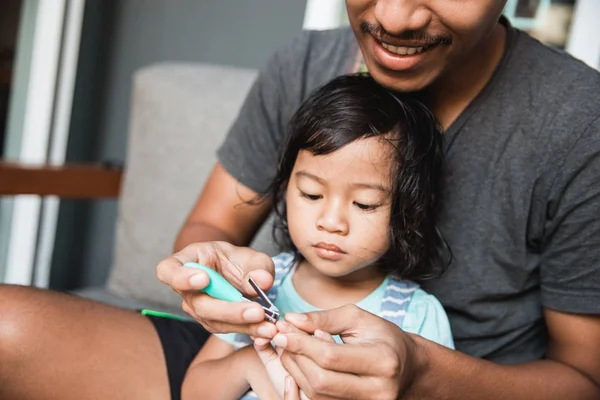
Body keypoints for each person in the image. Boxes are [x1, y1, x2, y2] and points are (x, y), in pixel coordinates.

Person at [0, 1, 599, 399]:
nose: (392, 17)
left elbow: (583, 380)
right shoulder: (303, 63)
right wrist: (208, 276)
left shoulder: (578, 119)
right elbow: (210, 226)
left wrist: (421, 372)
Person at [180, 74, 454, 399]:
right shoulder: (263, 284)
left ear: (410, 211)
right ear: (286, 187)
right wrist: (253, 362)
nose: (331, 221)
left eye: (364, 203)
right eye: (311, 195)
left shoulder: (415, 314)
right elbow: (193, 392)